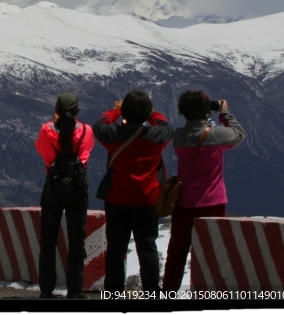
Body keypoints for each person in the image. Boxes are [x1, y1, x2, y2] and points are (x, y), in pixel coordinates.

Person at [161, 92, 245, 292]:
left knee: (177, 252)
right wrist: (224, 113)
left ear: (182, 112)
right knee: (212, 250)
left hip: (183, 203)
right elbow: (238, 134)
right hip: (212, 202)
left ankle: (168, 294)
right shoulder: (214, 135)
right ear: (207, 110)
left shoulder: (179, 136)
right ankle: (208, 294)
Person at [93, 91, 173, 293]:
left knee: (116, 249)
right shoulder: (156, 137)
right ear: (146, 114)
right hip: (147, 200)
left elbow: (100, 125)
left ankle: (113, 293)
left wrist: (115, 111)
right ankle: (152, 293)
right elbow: (167, 127)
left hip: (117, 199)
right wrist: (152, 114)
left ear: (125, 112)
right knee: (147, 248)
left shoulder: (114, 135)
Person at [34, 92, 94, 299]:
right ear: (77, 111)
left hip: (53, 187)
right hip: (77, 189)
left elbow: (44, 153)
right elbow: (85, 157)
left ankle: (46, 290)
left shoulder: (46, 130)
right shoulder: (86, 130)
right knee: (77, 240)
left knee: (48, 240)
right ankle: (75, 290)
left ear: (57, 110)